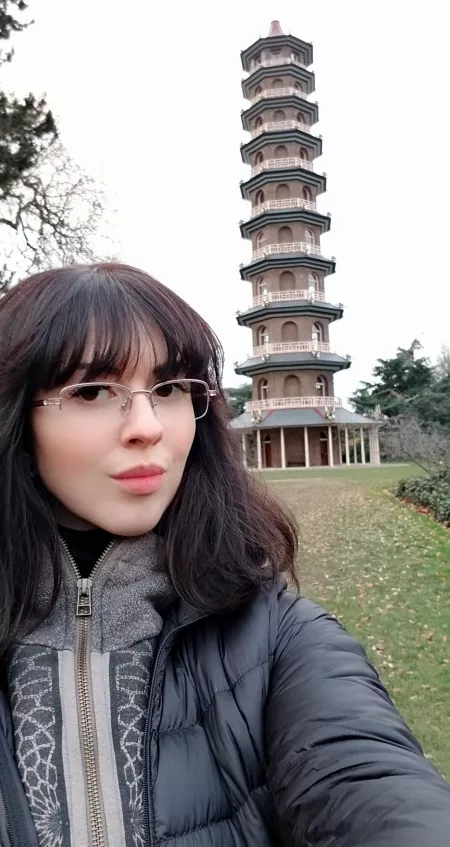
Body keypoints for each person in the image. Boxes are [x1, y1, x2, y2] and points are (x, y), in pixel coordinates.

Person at [0, 263, 448, 847]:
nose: (147, 427)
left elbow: (369, 779)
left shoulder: (277, 640)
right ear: (16, 416)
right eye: (91, 391)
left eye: (170, 389)